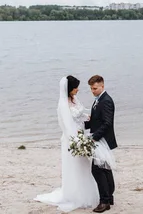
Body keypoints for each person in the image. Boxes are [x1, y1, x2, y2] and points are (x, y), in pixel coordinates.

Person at [34, 75, 99, 212]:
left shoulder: (75, 99)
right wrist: (76, 140)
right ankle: (75, 195)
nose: (78, 90)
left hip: (81, 135)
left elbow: (80, 115)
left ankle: (87, 192)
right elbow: (66, 124)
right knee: (74, 166)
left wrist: (90, 118)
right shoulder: (63, 104)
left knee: (84, 166)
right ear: (69, 89)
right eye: (75, 88)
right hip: (72, 140)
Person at [84, 75, 117, 213]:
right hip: (99, 138)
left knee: (97, 170)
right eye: (91, 88)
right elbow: (96, 120)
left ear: (102, 86)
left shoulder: (106, 101)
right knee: (104, 167)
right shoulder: (98, 100)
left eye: (95, 88)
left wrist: (94, 138)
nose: (93, 91)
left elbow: (107, 123)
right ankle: (109, 197)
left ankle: (104, 201)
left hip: (101, 139)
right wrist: (80, 124)